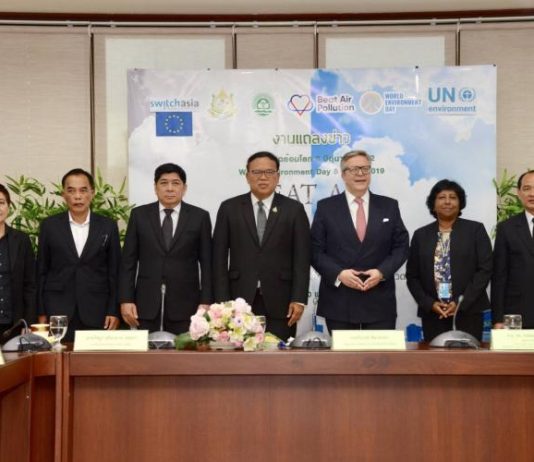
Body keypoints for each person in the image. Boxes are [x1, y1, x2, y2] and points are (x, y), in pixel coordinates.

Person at [212, 151, 310, 340]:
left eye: (269, 172)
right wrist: (223, 302)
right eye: (257, 172)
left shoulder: (294, 209)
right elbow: (218, 259)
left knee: (278, 352)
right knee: (239, 353)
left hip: (282, 300)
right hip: (238, 300)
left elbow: (302, 258)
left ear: (278, 176)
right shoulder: (229, 208)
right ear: (247, 176)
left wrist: (298, 298)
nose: (263, 177)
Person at [311, 150, 409, 331]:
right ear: (343, 175)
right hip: (339, 301)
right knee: (343, 352)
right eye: (354, 169)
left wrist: (381, 272)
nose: (360, 174)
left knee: (381, 351)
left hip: (379, 300)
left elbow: (401, 246)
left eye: (365, 168)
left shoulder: (389, 206)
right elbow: (314, 250)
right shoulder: (326, 207)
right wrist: (339, 274)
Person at [119, 163, 212, 334]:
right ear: (155, 187)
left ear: (184, 188)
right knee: (145, 351)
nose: (169, 188)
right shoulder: (139, 215)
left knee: (183, 351)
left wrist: (206, 301)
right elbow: (128, 263)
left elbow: (207, 264)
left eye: (175, 183)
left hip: (187, 306)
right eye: (164, 183)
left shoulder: (199, 217)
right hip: (145, 305)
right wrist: (126, 299)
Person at [37, 169, 121, 341]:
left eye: (83, 190)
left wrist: (113, 311)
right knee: (58, 356)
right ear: (63, 194)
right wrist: (41, 311)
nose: (77, 196)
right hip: (57, 311)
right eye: (71, 191)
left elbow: (115, 272)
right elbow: (41, 271)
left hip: (97, 309)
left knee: (93, 358)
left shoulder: (108, 226)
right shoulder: (49, 226)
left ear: (92, 193)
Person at [406, 179, 492, 342]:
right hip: (433, 314)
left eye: (453, 197)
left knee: (468, 357)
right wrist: (429, 304)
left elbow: (485, 269)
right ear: (433, 204)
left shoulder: (475, 230)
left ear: (460, 203)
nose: (447, 202)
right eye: (441, 197)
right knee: (435, 357)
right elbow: (412, 276)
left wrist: (461, 302)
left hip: (469, 311)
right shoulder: (420, 235)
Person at [492, 170, 534, 329]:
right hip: (517, 315)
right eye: (527, 188)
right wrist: (497, 319)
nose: (532, 194)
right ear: (519, 193)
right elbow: (499, 276)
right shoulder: (506, 228)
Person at [0, 184, 36, 337]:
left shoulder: (21, 240)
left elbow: (30, 285)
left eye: (1, 203)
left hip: (15, 325)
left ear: (8, 206)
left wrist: (28, 322)